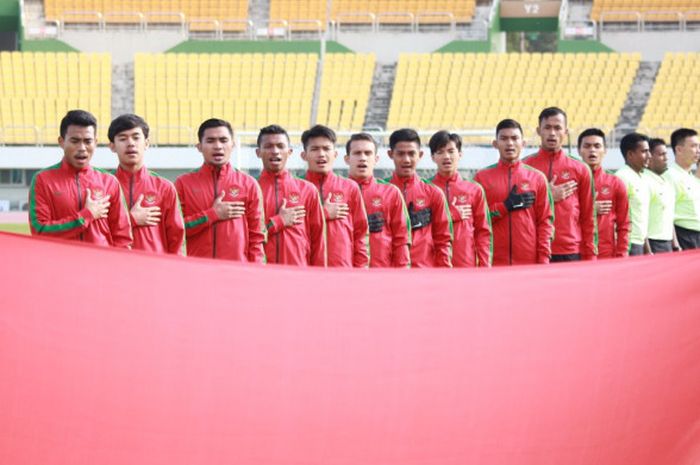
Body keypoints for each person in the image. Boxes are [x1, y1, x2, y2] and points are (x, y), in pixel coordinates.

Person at [28, 109, 132, 248]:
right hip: (60, 265)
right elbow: (39, 231)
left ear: (95, 142)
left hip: (100, 265)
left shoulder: (109, 181)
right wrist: (85, 216)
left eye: (88, 141)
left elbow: (122, 237)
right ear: (61, 142)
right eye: (75, 141)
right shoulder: (43, 180)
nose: (82, 148)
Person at [175, 118, 266, 261]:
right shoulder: (183, 183)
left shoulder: (249, 184)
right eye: (210, 141)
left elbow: (257, 236)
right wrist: (212, 214)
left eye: (223, 140)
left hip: (236, 271)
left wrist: (256, 271)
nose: (218, 146)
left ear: (233, 144)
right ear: (199, 146)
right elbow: (176, 230)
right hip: (196, 270)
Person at [474, 119, 553, 266]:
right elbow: (478, 222)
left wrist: (543, 260)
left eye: (514, 138)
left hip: (529, 262)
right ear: (495, 144)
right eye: (504, 138)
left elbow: (545, 222)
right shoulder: (481, 178)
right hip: (493, 262)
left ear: (523, 143)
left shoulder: (537, 178)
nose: (510, 143)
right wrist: (505, 206)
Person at [523, 107, 597, 261]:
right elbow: (519, 210)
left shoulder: (580, 169)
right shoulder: (525, 167)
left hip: (569, 249)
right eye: (547, 128)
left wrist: (590, 256)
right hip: (532, 247)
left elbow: (588, 217)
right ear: (538, 130)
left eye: (557, 128)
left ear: (566, 131)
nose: (552, 133)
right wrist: (549, 197)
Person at [109, 114, 185, 255]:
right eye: (123, 138)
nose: (130, 143)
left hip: (154, 269)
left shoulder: (164, 187)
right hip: (115, 266)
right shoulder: (105, 186)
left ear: (147, 143)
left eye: (136, 137)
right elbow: (98, 233)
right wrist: (131, 219)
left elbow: (177, 238)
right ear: (112, 146)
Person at [256, 124, 326, 266]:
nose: (275, 151)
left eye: (280, 146)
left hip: (299, 274)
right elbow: (246, 238)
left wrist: (320, 276)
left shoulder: (308, 190)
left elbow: (318, 240)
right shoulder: (251, 189)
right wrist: (278, 222)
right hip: (262, 274)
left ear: (289, 151)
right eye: (268, 146)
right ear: (258, 152)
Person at [301, 124, 369, 268]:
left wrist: (361, 269)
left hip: (342, 271)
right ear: (304, 155)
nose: (321, 154)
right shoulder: (296, 188)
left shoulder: (350, 187)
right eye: (315, 149)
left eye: (326, 149)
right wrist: (323, 213)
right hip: (305, 270)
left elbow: (360, 234)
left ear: (335, 154)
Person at [387, 128, 452, 268]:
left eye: (411, 153)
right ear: (390, 154)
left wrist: (445, 272)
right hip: (388, 273)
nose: (406, 159)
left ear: (420, 155)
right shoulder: (382, 190)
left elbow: (443, 239)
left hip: (424, 271)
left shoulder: (433, 193)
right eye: (400, 154)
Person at [345, 132, 411, 268]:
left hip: (382, 273)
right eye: (357, 153)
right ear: (347, 159)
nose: (362, 158)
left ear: (376, 159)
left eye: (368, 153)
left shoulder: (391, 192)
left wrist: (403, 273)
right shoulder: (336, 193)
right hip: (345, 272)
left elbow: (401, 238)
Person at [428, 130, 492, 267]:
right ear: (433, 157)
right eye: (440, 152)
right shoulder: (426, 189)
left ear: (460, 154)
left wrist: (485, 265)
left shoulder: (474, 189)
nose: (446, 157)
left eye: (451, 151)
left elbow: (483, 232)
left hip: (466, 264)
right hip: (432, 265)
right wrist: (451, 215)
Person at [578, 128, 630, 259]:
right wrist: (590, 209)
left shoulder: (616, 183)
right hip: (576, 252)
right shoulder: (571, 183)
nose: (592, 150)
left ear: (605, 151)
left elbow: (624, 224)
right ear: (579, 150)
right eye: (587, 146)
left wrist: (622, 253)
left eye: (597, 146)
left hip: (606, 253)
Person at [615, 132, 652, 256]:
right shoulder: (622, 177)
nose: (649, 156)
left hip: (640, 243)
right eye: (644, 152)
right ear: (630, 154)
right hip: (628, 244)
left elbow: (641, 216)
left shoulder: (642, 178)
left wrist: (647, 248)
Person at [643, 138, 678, 253]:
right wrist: (647, 249)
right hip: (652, 242)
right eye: (661, 154)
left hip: (667, 242)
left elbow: (669, 215)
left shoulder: (666, 181)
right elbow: (640, 217)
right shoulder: (644, 181)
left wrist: (675, 244)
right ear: (650, 157)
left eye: (666, 154)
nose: (666, 158)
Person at [667, 128, 700, 250]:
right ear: (679, 149)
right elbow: (666, 213)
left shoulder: (692, 176)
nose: (698, 151)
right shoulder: (670, 176)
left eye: (699, 146)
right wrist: (675, 243)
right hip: (684, 235)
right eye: (694, 146)